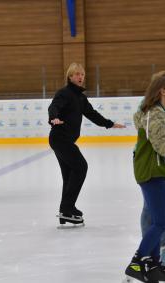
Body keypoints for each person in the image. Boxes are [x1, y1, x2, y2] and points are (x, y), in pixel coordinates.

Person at [48, 62, 125, 226]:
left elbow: (92, 114)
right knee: (81, 167)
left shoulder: (80, 97)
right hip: (59, 138)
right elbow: (54, 106)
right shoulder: (64, 93)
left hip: (65, 140)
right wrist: (53, 118)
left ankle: (65, 211)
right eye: (77, 74)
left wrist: (109, 123)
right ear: (70, 77)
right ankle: (67, 208)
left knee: (69, 176)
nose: (80, 77)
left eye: (82, 74)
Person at [124, 70, 165, 282]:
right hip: (151, 170)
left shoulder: (160, 111)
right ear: (162, 91)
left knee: (158, 221)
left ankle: (153, 266)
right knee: (160, 221)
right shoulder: (156, 114)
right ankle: (136, 263)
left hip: (158, 170)